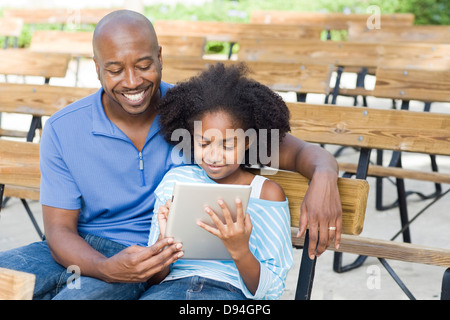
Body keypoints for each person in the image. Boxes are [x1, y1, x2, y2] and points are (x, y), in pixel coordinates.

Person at [0, 10, 341, 300]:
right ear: (97, 68)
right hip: (73, 250)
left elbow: (292, 150)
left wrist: (325, 173)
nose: (132, 82)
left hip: (149, 260)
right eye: (115, 69)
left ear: (160, 57)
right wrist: (104, 267)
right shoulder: (64, 128)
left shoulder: (197, 114)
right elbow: (59, 231)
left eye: (144, 65)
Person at [142, 62, 292, 300]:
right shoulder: (176, 182)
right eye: (203, 143)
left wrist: (240, 250)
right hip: (168, 289)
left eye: (227, 145)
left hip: (230, 292)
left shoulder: (267, 194)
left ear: (248, 142)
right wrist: (164, 243)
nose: (213, 155)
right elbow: (154, 278)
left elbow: (271, 291)